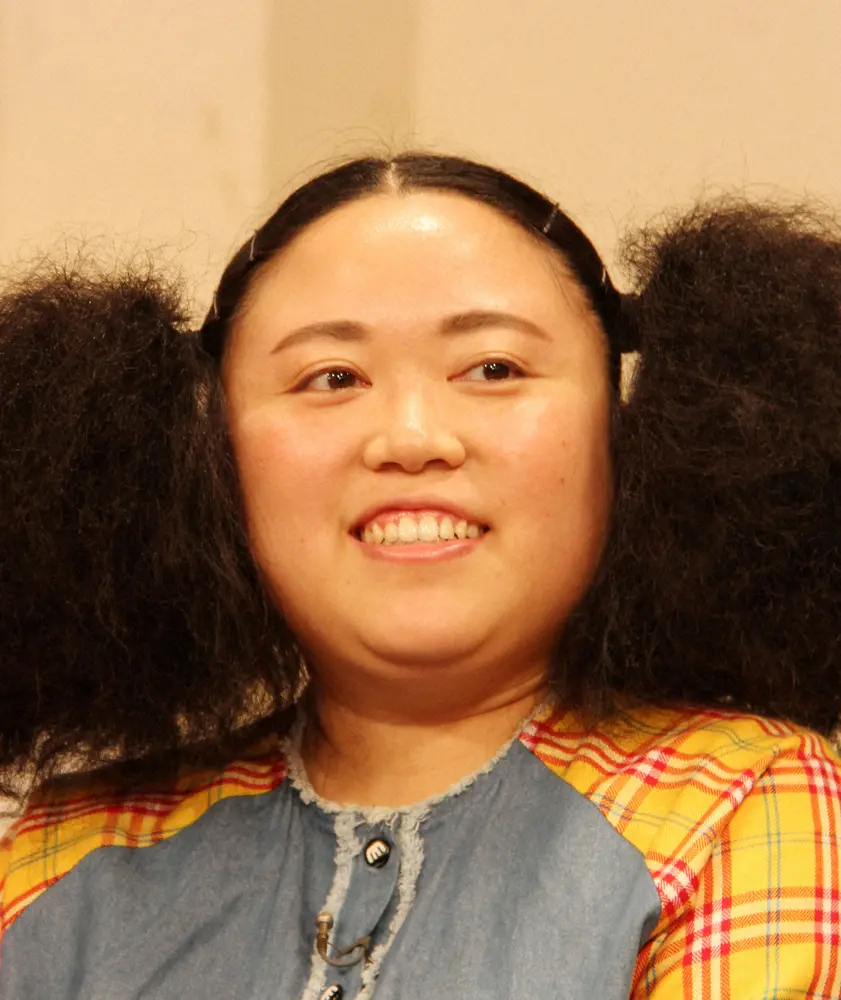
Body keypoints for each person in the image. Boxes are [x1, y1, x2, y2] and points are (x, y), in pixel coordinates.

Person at [0, 153, 839, 1000]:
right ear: (207, 457)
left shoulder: (742, 803)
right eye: (332, 378)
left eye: (494, 368)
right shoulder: (66, 849)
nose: (410, 437)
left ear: (635, 431)